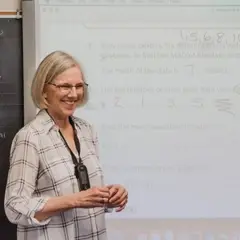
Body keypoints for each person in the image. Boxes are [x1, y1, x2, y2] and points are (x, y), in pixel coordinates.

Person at [4, 51, 128, 240]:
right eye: (65, 86)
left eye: (79, 86)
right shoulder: (30, 137)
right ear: (44, 90)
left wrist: (109, 196)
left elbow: (85, 194)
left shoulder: (87, 131)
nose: (73, 94)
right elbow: (15, 207)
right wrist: (75, 200)